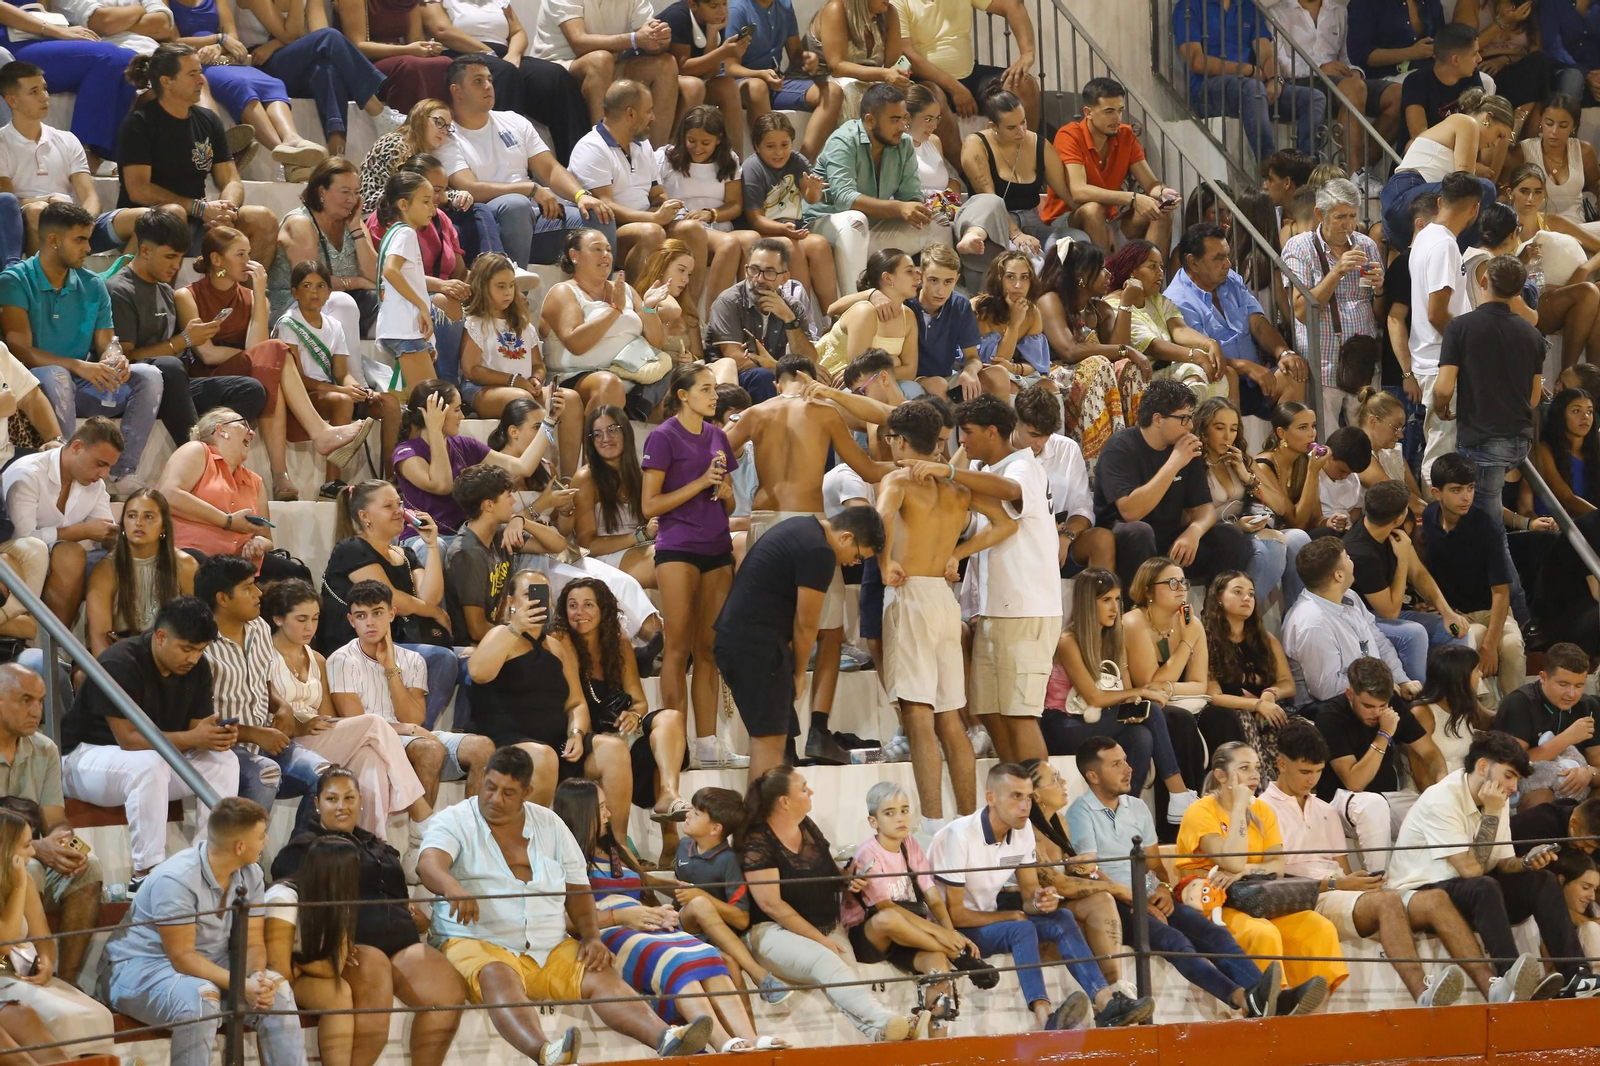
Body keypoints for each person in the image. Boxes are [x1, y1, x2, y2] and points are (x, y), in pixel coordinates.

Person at [418, 744, 716, 1062]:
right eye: (489, 787)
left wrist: (592, 938)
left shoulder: (550, 824)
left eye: (508, 793)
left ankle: (664, 1038)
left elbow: (578, 889)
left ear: (526, 793)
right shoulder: (455, 820)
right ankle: (545, 1052)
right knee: (496, 974)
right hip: (476, 940)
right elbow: (428, 864)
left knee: (599, 970)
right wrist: (452, 887)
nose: (494, 798)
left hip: (549, 943)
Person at [1065, 736, 1320, 1017]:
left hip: (1149, 897)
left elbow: (1154, 865)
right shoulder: (1080, 812)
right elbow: (1090, 871)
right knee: (1175, 942)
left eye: (1125, 760)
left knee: (1213, 933)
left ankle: (1271, 998)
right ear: (1093, 776)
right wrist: (1137, 899)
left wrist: (1163, 888)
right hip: (1115, 904)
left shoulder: (1136, 807)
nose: (1128, 769)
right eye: (1116, 764)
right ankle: (1243, 999)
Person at [724, 358, 888, 764]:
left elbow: (711, 453)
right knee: (830, 633)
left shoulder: (755, 413)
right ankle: (817, 730)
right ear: (812, 380)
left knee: (775, 628)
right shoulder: (825, 412)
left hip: (764, 523)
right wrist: (910, 466)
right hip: (809, 526)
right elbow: (868, 470)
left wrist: (720, 481)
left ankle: (783, 734)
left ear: (777, 384)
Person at [1263, 719, 1492, 1006]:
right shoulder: (1262, 808)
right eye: (1305, 772)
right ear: (1281, 764)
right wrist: (1336, 884)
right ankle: (1423, 993)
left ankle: (1492, 987)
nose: (1312, 780)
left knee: (1435, 899)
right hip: (1308, 899)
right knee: (1387, 901)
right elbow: (1270, 882)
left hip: (1339, 892)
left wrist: (1359, 883)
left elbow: (1344, 870)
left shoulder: (1325, 810)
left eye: (1319, 772)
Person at [931, 761, 1154, 1029]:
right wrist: (1013, 915)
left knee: (1062, 917)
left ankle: (1106, 1004)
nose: (1025, 806)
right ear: (991, 798)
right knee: (1021, 928)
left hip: (989, 918)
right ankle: (1045, 1018)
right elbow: (955, 915)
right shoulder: (959, 836)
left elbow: (1029, 896)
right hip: (955, 932)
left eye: (1028, 797)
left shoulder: (1023, 829)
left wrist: (1040, 901)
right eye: (1016, 797)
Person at [554, 779, 772, 1052]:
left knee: (708, 954)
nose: (609, 814)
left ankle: (750, 1038)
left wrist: (660, 909)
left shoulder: (615, 849)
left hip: (644, 922)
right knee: (676, 958)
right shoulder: (559, 858)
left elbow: (644, 886)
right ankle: (721, 1042)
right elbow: (563, 921)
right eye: (601, 808)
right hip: (606, 932)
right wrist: (623, 916)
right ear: (581, 812)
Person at [874, 400, 1010, 833]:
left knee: (919, 718)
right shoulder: (957, 488)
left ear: (899, 441)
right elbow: (1006, 524)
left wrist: (883, 564)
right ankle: (968, 825)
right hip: (944, 599)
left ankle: (933, 827)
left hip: (909, 595)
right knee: (952, 719)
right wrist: (958, 552)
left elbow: (880, 519)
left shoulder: (898, 479)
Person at [270, 766, 464, 1066]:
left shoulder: (377, 845)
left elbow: (399, 895)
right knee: (373, 972)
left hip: (401, 941)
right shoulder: (305, 848)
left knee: (448, 992)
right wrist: (332, 942)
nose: (341, 806)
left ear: (360, 801)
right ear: (317, 803)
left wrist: (414, 916)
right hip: (352, 948)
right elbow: (290, 901)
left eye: (349, 798)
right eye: (332, 799)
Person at [899, 395, 1054, 765]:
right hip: (993, 608)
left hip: (1027, 608)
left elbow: (1011, 493)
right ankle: (1016, 790)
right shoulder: (989, 470)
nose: (962, 441)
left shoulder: (1023, 466)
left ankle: (1042, 799)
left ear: (992, 431)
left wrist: (948, 472)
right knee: (989, 711)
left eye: (967, 433)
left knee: (1019, 715)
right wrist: (956, 553)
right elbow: (988, 525)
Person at [104, 798, 307, 1066]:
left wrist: (256, 978)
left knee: (277, 991)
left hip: (207, 966)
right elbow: (182, 957)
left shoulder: (252, 874)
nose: (267, 841)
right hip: (141, 968)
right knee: (201, 1000)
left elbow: (253, 943)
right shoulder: (176, 879)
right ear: (239, 846)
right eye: (261, 836)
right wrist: (240, 985)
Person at [1390, 729, 1592, 997]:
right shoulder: (1441, 799)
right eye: (1509, 776)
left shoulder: (1496, 800)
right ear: (1483, 767)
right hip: (1421, 893)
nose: (1514, 787)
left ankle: (1575, 976)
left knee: (1543, 879)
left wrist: (1527, 862)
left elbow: (1504, 862)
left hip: (1467, 892)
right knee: (1483, 886)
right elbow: (1470, 870)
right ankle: (1511, 979)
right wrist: (1493, 813)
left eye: (1516, 779)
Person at [738, 765, 932, 1041]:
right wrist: (820, 939)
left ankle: (881, 1033)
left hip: (826, 925)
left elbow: (830, 874)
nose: (811, 791)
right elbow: (771, 905)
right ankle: (889, 1020)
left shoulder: (806, 826)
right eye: (803, 788)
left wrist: (849, 879)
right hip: (772, 931)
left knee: (847, 976)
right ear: (784, 802)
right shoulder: (758, 840)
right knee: (827, 960)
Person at [57, 595, 237, 886]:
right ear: (161, 636)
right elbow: (128, 739)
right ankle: (147, 873)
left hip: (150, 762)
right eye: (186, 649)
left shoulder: (198, 667)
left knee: (224, 761)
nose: (193, 658)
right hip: (85, 758)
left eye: (200, 650)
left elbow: (195, 729)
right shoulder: (120, 661)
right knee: (149, 764)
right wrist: (193, 737)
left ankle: (208, 862)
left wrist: (213, 736)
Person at [181, 226, 372, 500]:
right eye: (240, 254)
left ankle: (282, 476)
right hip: (209, 378)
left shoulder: (253, 297)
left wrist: (260, 293)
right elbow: (208, 354)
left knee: (272, 363)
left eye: (249, 253)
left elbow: (257, 347)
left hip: (247, 373)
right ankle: (317, 436)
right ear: (216, 259)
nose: (249, 261)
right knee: (275, 351)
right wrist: (253, 355)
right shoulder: (187, 295)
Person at [0, 204, 157, 498]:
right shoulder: (15, 280)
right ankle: (64, 469)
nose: (88, 248)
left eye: (89, 239)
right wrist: (77, 365)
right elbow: (19, 349)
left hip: (83, 385)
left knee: (149, 375)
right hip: (39, 387)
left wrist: (115, 359)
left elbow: (107, 344)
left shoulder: (93, 284)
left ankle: (122, 472)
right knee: (55, 374)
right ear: (53, 240)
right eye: (80, 239)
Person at [713, 506, 882, 777]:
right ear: (846, 537)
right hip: (755, 647)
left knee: (777, 744)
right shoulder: (819, 552)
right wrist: (800, 673)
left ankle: (772, 802)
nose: (854, 563)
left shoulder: (803, 529)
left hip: (749, 642)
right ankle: (761, 806)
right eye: (858, 556)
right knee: (769, 745)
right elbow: (806, 625)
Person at [1176, 741, 1348, 999]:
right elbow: (1231, 861)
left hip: (1257, 898)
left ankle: (1313, 1007)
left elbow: (1277, 866)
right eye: (1245, 768)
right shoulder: (1200, 811)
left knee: (1318, 927)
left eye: (1256, 768)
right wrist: (1238, 808)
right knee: (1262, 933)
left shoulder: (1262, 810)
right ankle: (1273, 1004)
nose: (1255, 775)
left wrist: (1246, 869)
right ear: (1221, 776)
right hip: (1216, 905)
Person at [100, 207, 271, 454]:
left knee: (251, 389)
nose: (176, 265)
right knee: (170, 366)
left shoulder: (165, 290)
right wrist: (184, 340)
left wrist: (192, 338)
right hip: (136, 384)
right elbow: (126, 358)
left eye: (180, 257)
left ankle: (213, 451)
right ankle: (194, 451)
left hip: (176, 384)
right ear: (145, 250)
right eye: (169, 257)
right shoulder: (119, 290)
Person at [263, 581, 431, 832]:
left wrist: (321, 725)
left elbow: (328, 717)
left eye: (315, 618)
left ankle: (373, 842)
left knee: (370, 758)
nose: (310, 627)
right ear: (278, 619)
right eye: (301, 619)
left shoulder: (317, 658)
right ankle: (419, 809)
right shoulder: (263, 656)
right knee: (374, 723)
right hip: (285, 743)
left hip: (317, 737)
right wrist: (407, 729)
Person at [1043, 567, 1199, 818]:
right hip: (1063, 724)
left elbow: (1121, 690)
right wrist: (1140, 693)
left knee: (1140, 735)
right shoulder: (1068, 641)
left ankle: (1123, 814)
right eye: (1106, 600)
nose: (1114, 607)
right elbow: (1093, 697)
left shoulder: (1111, 639)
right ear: (1087, 603)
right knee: (1151, 711)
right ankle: (1179, 794)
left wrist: (1134, 698)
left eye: (1117, 599)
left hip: (1095, 718)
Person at [327, 579, 490, 811]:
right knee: (429, 750)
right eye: (361, 616)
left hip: (409, 737)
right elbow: (360, 726)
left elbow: (414, 718)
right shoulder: (341, 660)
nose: (370, 622)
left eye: (377, 613)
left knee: (483, 747)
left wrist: (390, 668)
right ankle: (420, 831)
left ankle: (471, 826)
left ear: (392, 614)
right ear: (351, 621)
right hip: (372, 743)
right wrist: (411, 730)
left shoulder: (413, 659)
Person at [440, 55, 611, 270]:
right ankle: (511, 284)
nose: (488, 86)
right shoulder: (447, 135)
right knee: (515, 204)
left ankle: (603, 289)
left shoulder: (514, 120)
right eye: (477, 81)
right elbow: (469, 187)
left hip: (534, 217)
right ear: (457, 91)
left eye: (489, 79)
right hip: (489, 222)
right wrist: (528, 189)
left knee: (598, 214)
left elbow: (549, 169)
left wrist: (581, 195)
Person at [116, 45, 277, 263]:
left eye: (200, 72)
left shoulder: (208, 121)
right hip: (154, 223)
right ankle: (133, 282)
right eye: (192, 74)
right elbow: (138, 190)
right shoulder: (139, 123)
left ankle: (250, 286)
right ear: (166, 81)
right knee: (173, 214)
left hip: (199, 220)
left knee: (263, 218)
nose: (201, 80)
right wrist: (198, 208)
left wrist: (226, 210)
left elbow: (231, 179)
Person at [318, 480, 461, 724]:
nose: (399, 511)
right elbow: (391, 598)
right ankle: (419, 732)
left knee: (472, 661)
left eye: (399, 504)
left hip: (397, 643)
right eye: (388, 506)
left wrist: (431, 546)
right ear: (364, 516)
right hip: (359, 644)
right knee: (442, 658)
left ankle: (456, 730)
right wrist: (435, 613)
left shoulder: (405, 554)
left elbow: (430, 597)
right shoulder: (352, 549)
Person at [549, 576, 688, 825]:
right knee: (620, 748)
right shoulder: (561, 639)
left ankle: (669, 796)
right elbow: (576, 704)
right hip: (579, 737)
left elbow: (639, 701)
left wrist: (633, 715)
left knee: (670, 719)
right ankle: (628, 839)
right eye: (572, 605)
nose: (579, 612)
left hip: (617, 732)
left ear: (603, 609)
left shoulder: (618, 643)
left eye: (588, 605)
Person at [1092, 377, 1253, 591]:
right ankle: (1135, 608)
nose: (1190, 426)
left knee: (1229, 536)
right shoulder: (1121, 447)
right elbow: (1130, 512)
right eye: (1183, 418)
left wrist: (1194, 531)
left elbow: (1205, 509)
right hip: (1127, 538)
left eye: (1191, 418)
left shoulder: (1186, 448)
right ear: (1158, 419)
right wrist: (1175, 462)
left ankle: (1217, 609)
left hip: (1171, 539)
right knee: (1139, 532)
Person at [196, 553, 323, 816]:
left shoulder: (259, 627)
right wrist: (254, 733)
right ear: (223, 599)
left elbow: (264, 681)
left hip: (264, 739)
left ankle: (303, 843)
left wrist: (282, 706)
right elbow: (199, 720)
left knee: (326, 775)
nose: (258, 593)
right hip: (221, 749)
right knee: (266, 772)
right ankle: (248, 844)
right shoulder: (199, 643)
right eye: (247, 588)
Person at [0, 663, 102, 988]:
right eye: (25, 700)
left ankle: (67, 980)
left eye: (41, 701)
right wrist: (36, 849)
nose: (36, 711)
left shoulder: (45, 749)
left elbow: (56, 820)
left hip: (30, 852)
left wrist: (68, 846)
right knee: (26, 867)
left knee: (89, 865)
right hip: (11, 860)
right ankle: (20, 970)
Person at [567, 80, 707, 315]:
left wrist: (666, 205)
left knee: (692, 229)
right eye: (649, 110)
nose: (653, 117)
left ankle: (689, 316)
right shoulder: (592, 148)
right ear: (631, 113)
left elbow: (656, 191)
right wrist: (653, 219)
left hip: (647, 220)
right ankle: (638, 313)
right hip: (612, 230)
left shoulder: (643, 145)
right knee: (651, 232)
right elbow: (605, 207)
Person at [805, 83, 950, 300]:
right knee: (855, 220)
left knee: (938, 223)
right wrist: (899, 208)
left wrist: (915, 208)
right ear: (870, 120)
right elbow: (845, 199)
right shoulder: (843, 140)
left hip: (871, 229)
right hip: (827, 226)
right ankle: (855, 305)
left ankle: (933, 303)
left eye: (904, 118)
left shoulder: (904, 143)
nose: (902, 126)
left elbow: (910, 195)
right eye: (894, 120)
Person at [264, 833, 389, 1066]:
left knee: (339, 993)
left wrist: (297, 960)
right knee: (333, 992)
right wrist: (306, 962)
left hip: (297, 971)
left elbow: (335, 966)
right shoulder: (283, 898)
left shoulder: (339, 898)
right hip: (266, 978)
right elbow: (279, 971)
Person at [1165, 223, 1309, 422]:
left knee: (1294, 372)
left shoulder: (1230, 278)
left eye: (1227, 255)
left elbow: (1257, 322)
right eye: (1218, 258)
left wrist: (1283, 352)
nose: (1228, 264)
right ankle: (1233, 441)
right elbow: (1204, 355)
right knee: (1229, 375)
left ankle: (1286, 440)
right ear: (1193, 262)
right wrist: (1245, 366)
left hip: (1255, 377)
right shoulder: (1177, 299)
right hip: (1218, 379)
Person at [277, 259, 403, 485]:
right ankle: (332, 482)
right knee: (342, 401)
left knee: (390, 403)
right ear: (294, 292)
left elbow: (342, 373)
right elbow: (299, 380)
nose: (314, 292)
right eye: (307, 286)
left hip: (330, 390)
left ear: (329, 292)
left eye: (320, 286)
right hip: (303, 396)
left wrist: (358, 389)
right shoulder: (289, 324)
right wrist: (342, 390)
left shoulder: (334, 326)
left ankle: (392, 479)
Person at [0, 60, 145, 255]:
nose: (44, 97)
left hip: (71, 222)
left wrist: (85, 221)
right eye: (34, 92)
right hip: (25, 228)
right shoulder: (2, 142)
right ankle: (37, 274)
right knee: (38, 211)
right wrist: (50, 201)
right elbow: (8, 204)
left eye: (44, 89)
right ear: (12, 101)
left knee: (144, 219)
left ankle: (122, 273)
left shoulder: (66, 139)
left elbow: (90, 196)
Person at [1311, 656, 1445, 866]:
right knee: (1373, 805)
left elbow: (1429, 752)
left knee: (1436, 810)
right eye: (1368, 706)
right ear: (1350, 694)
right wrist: (1384, 734)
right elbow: (1354, 782)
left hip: (1385, 797)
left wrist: (1442, 783)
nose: (1377, 712)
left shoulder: (1393, 705)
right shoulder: (1330, 717)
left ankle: (1429, 879)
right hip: (1339, 801)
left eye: (1382, 705)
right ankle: (1378, 880)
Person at [227, 0, 403, 161]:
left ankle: (336, 155)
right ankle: (378, 112)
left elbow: (320, 34)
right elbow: (291, 35)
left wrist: (274, 44)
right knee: (329, 38)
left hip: (292, 60)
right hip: (259, 64)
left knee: (326, 68)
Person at [1420, 453, 1527, 704]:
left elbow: (1501, 592)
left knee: (1512, 646)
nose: (1466, 496)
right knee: (1466, 643)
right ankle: (1484, 712)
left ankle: (1514, 712)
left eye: (1470, 488)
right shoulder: (1429, 518)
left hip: (1493, 612)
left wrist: (1490, 646)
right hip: (1457, 615)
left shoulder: (1485, 526)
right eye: (1456, 490)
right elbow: (1424, 565)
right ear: (1436, 492)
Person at [1281, 179, 1383, 431]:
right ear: (1320, 214)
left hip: (1361, 363)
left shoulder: (1366, 245)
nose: (1348, 224)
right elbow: (1302, 312)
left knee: (1367, 439)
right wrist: (1337, 271)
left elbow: (1379, 312)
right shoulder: (1299, 248)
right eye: (1340, 217)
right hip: (1322, 365)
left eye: (1353, 216)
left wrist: (1380, 289)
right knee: (1325, 441)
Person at [890, 0, 1038, 172]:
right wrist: (954, 87)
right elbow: (907, 54)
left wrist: (1027, 53)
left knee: (1023, 83)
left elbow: (1012, 5)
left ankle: (1022, 165)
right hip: (928, 80)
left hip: (970, 73)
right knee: (931, 97)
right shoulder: (899, 2)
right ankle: (970, 174)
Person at [392, 379, 551, 537]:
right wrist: (434, 430)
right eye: (457, 410)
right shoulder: (406, 453)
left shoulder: (464, 444)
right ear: (436, 413)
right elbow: (443, 485)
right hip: (424, 538)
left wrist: (550, 419)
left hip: (464, 535)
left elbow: (523, 467)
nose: (462, 416)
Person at [1345, 478, 1470, 680]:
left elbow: (1418, 573)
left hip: (1390, 611)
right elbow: (1390, 612)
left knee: (1455, 630)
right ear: (1398, 518)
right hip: (1365, 618)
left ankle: (1452, 695)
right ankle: (1417, 696)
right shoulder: (1360, 553)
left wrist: (1447, 613)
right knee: (1414, 633)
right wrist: (1402, 559)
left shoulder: (1393, 528)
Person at [0, 417, 117, 628]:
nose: (104, 474)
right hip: (14, 553)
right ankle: (24, 625)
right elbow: (22, 541)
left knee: (77, 555)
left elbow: (105, 533)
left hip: (53, 559)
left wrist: (121, 536)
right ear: (77, 447)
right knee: (46, 550)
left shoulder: (95, 483)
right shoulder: (28, 474)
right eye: (100, 464)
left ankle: (58, 644)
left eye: (109, 467)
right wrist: (79, 531)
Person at [1173, 0, 1325, 161]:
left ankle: (1307, 168)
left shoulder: (1248, 6)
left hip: (1250, 88)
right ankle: (1270, 165)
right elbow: (1196, 61)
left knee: (1314, 98)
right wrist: (1247, 70)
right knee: (1254, 88)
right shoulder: (1189, 6)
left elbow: (1265, 53)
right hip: (1207, 89)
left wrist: (1275, 79)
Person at [952, 88, 1076, 280]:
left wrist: (1097, 218)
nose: (1021, 131)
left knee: (1076, 247)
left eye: (1023, 122)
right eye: (1011, 127)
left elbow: (1067, 193)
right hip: (997, 221)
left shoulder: (1039, 144)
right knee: (1031, 263)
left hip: (1033, 219)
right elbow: (989, 199)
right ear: (993, 126)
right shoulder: (976, 144)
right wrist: (1016, 234)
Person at [1042, 77, 1176, 253]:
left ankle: (1154, 269)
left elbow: (1151, 184)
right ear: (1088, 112)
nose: (1117, 118)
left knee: (1160, 210)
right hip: (1068, 218)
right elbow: (1079, 191)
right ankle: (1105, 271)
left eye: (1120, 111)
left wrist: (1163, 193)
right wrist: (1132, 198)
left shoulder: (1125, 134)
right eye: (1109, 111)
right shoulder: (1070, 135)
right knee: (1093, 210)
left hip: (1109, 219)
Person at [1196, 397, 1309, 604]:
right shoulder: (1194, 462)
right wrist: (1236, 526)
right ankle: (1240, 613)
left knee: (1298, 538)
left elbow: (1280, 507)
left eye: (1233, 429)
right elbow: (1188, 515)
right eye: (1219, 428)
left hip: (1246, 526)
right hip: (1215, 535)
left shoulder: (1242, 460)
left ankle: (1295, 614)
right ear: (1203, 429)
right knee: (1272, 546)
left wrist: (1247, 477)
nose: (1227, 436)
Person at [1282, 535, 1421, 703]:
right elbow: (1327, 689)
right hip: (1331, 707)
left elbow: (1378, 642)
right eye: (1347, 557)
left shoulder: (1350, 596)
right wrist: (1379, 685)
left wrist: (1400, 679)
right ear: (1339, 576)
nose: (1351, 560)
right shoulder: (1313, 624)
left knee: (1420, 706)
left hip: (1369, 694)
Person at [539, 228, 658, 415]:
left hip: (629, 374)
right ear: (574, 256)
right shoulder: (563, 291)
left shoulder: (625, 289)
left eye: (608, 250)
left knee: (685, 382)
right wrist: (615, 310)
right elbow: (576, 344)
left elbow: (657, 342)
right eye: (597, 249)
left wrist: (649, 308)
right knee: (609, 383)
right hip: (575, 377)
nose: (605, 255)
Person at [1103, 240, 1228, 406]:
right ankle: (1184, 416)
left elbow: (1180, 329)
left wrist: (1209, 343)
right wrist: (1195, 355)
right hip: (1143, 377)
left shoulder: (1157, 299)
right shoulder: (1113, 304)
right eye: (1152, 267)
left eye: (1161, 266)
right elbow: (1152, 346)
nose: (1160, 273)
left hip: (1166, 369)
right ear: (1132, 271)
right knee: (1193, 370)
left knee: (1223, 375)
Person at [1384, 90, 1506, 261]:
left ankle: (1457, 259)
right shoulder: (1467, 123)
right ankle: (1468, 260)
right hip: (1404, 196)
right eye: (1499, 134)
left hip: (1405, 220)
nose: (1496, 143)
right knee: (1483, 188)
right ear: (1487, 118)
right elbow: (1465, 184)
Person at [737, 112, 835, 317]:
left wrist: (814, 189)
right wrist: (783, 230)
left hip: (791, 230)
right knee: (790, 246)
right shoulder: (752, 168)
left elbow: (811, 198)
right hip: (765, 232)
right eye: (770, 146)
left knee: (819, 245)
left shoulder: (796, 160)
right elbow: (755, 219)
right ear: (757, 146)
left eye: (785, 145)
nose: (779, 152)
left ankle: (832, 316)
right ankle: (802, 316)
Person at [704, 236, 818, 401]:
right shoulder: (728, 302)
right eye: (754, 269)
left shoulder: (792, 307)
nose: (759, 279)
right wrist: (777, 366)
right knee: (763, 377)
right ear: (746, 270)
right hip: (729, 381)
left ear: (784, 278)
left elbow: (808, 360)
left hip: (774, 375)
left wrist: (789, 319)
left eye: (769, 272)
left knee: (812, 383)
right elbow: (736, 361)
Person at [1204, 570, 1297, 769]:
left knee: (1302, 729)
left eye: (1251, 594)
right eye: (1238, 592)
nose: (1246, 598)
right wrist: (1257, 705)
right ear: (1219, 597)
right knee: (1244, 719)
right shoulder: (1206, 640)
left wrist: (1270, 694)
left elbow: (1287, 683)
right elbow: (1213, 696)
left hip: (1268, 710)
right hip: (1234, 714)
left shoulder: (1266, 639)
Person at [155, 408, 274, 561]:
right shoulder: (197, 450)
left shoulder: (255, 481)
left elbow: (266, 538)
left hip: (237, 563)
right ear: (221, 430)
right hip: (188, 557)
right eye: (244, 424)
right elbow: (167, 495)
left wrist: (259, 543)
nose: (252, 433)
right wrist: (228, 521)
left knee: (292, 570)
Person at [1491, 642, 1600, 809]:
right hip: (1527, 785)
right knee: (1540, 797)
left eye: (1579, 686)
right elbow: (1512, 764)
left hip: (1576, 787)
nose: (1571, 694)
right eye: (1563, 684)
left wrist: (1589, 773)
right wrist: (1567, 738)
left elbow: (1597, 764)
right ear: (1543, 677)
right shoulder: (1520, 703)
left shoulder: (1589, 706)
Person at [573, 406, 658, 589]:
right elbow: (587, 544)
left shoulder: (641, 476)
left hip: (641, 547)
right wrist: (639, 536)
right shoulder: (586, 478)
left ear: (625, 432)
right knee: (665, 559)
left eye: (612, 430)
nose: (605, 439)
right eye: (597, 434)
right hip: (602, 559)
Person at [1399, 22, 1500, 147]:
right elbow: (1419, 135)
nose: (1479, 59)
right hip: (1429, 150)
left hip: (1460, 147)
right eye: (1474, 54)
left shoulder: (1471, 75)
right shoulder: (1416, 82)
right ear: (1456, 60)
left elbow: (1481, 120)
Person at [1534, 386, 1600, 516]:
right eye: (1576, 411)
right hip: (1554, 523)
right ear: (1560, 415)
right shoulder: (1545, 449)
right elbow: (1566, 498)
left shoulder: (1596, 448)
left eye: (1589, 411)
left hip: (1589, 521)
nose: (1585, 417)